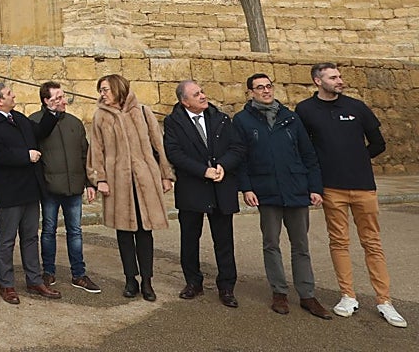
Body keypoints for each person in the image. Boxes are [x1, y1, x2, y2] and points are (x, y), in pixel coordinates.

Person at [295, 62, 407, 328]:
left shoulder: (356, 107)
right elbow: (305, 149)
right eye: (333, 77)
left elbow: (378, 143)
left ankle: (384, 300)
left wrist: (358, 159)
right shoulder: (305, 110)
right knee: (339, 242)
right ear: (317, 81)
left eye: (340, 76)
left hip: (363, 187)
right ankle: (348, 295)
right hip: (331, 187)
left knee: (372, 243)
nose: (339, 80)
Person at [231, 73, 331, 319]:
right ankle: (279, 292)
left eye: (268, 86)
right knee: (271, 244)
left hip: (296, 189)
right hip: (266, 191)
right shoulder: (242, 121)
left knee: (301, 246)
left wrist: (315, 188)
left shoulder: (291, 117)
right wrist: (246, 188)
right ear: (250, 92)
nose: (266, 91)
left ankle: (307, 294)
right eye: (260, 87)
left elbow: (309, 155)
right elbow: (240, 159)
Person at [87, 74, 174, 302]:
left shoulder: (143, 112)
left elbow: (158, 144)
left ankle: (147, 280)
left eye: (105, 89)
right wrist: (100, 179)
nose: (102, 94)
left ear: (117, 89)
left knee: (145, 232)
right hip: (118, 182)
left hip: (145, 179)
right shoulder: (100, 117)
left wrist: (166, 174)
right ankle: (130, 279)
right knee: (124, 233)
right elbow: (96, 151)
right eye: (101, 90)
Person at [162, 79, 246, 308]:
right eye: (196, 94)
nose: (202, 96)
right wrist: (203, 171)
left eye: (202, 92)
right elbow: (174, 152)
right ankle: (193, 282)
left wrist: (223, 167)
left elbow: (237, 147)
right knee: (190, 238)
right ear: (184, 101)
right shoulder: (174, 123)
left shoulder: (220, 118)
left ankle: (227, 286)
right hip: (193, 188)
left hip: (221, 187)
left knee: (224, 240)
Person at [0, 82, 60, 304]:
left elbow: (40, 131)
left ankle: (34, 280)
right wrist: (25, 156)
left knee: (30, 237)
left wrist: (52, 111)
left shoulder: (18, 117)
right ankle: (6, 285)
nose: (13, 96)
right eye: (9, 94)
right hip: (10, 191)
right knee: (7, 240)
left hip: (30, 189)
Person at [29, 81, 100, 293]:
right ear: (46, 101)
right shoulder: (35, 121)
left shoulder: (75, 123)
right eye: (57, 98)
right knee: (49, 230)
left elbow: (84, 155)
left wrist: (90, 183)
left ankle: (78, 274)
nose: (63, 100)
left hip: (74, 187)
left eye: (63, 96)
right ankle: (48, 271)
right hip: (51, 188)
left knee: (75, 232)